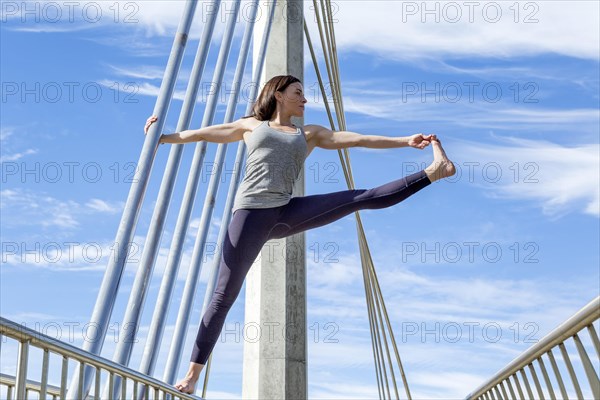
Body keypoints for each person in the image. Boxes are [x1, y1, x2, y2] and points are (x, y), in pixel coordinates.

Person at [143, 75, 455, 394]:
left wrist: (404, 141)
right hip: (250, 214)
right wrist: (163, 136)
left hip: (285, 212)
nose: (305, 100)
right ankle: (192, 376)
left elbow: (357, 139)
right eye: (298, 93)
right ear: (278, 95)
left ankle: (435, 172)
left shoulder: (310, 134)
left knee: (358, 198)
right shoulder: (251, 126)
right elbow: (202, 134)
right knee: (224, 295)